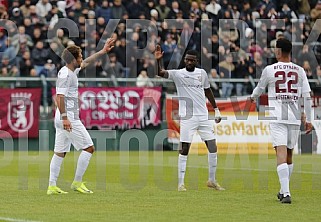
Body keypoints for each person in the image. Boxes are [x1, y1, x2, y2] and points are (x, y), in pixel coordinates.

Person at [47, 38, 115, 195]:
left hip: (63, 117)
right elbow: (59, 97)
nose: (82, 58)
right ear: (73, 59)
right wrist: (65, 118)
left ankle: (51, 186)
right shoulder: (66, 75)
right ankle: (77, 182)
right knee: (89, 148)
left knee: (60, 152)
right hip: (68, 117)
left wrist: (102, 51)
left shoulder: (70, 70)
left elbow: (87, 63)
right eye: (80, 55)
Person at [250, 38, 312, 204]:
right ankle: (283, 190)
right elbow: (306, 96)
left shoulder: (270, 70)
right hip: (294, 117)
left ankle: (286, 193)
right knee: (289, 155)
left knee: (281, 153)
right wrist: (308, 117)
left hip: (277, 117)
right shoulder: (300, 70)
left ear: (278, 51)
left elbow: (259, 88)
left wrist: (252, 97)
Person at [154, 45, 224, 192]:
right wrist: (159, 61)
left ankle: (211, 180)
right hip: (187, 117)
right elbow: (160, 72)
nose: (189, 62)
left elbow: (208, 91)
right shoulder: (178, 74)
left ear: (196, 61)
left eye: (191, 60)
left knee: (213, 147)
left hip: (203, 116)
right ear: (184, 61)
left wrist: (216, 109)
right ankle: (180, 183)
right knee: (184, 148)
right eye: (187, 60)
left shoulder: (202, 73)